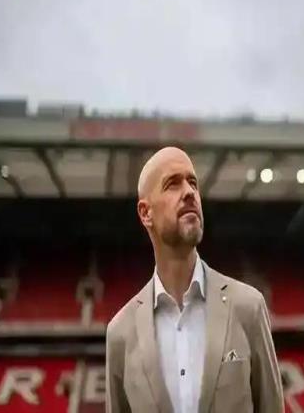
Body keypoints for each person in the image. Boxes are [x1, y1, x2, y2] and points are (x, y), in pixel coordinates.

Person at [105, 147, 284, 413]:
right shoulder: (120, 332)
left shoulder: (248, 307)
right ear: (145, 213)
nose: (189, 192)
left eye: (193, 182)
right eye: (172, 184)